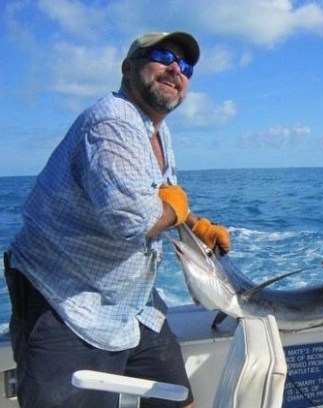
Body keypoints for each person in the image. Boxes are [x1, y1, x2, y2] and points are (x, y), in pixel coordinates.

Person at [3, 31, 231, 408]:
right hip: (66, 302)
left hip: (132, 301)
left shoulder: (157, 128)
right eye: (163, 56)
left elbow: (161, 195)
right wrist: (174, 209)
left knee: (178, 400)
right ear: (128, 68)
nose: (176, 69)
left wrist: (196, 225)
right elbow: (133, 219)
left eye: (186, 67)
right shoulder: (110, 123)